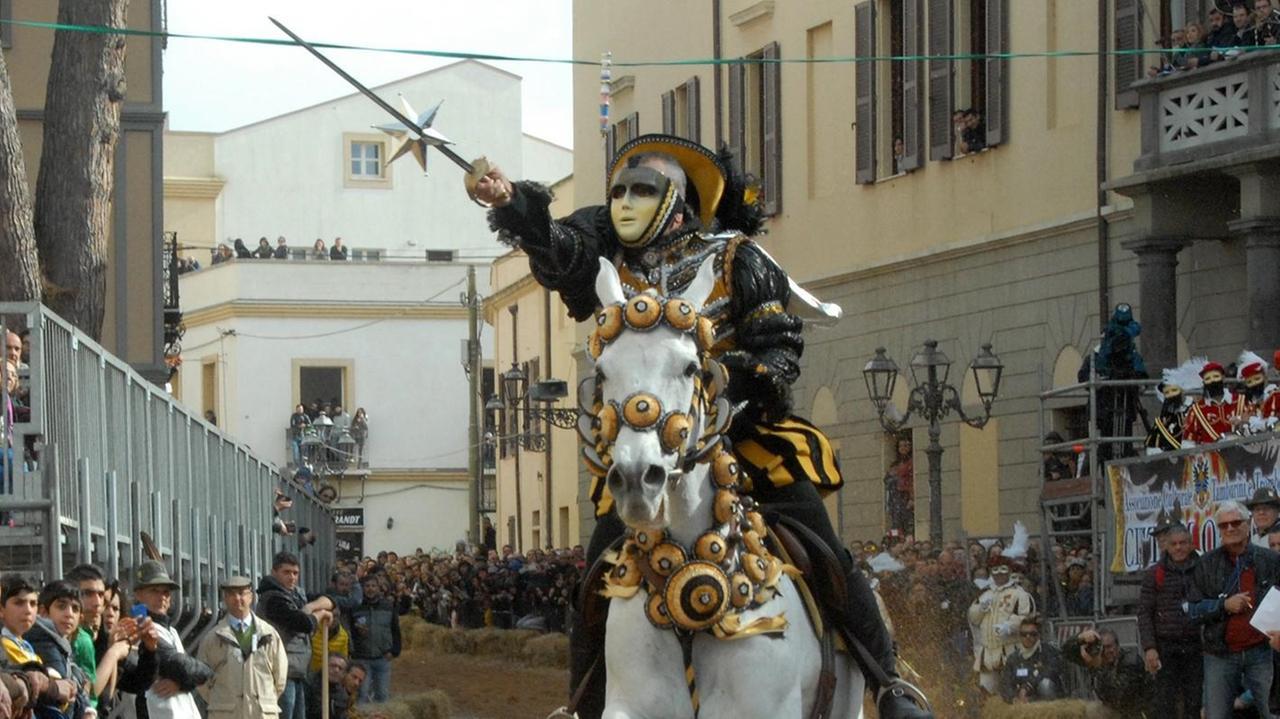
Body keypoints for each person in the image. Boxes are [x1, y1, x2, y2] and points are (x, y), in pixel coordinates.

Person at [474, 132, 931, 719]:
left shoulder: (738, 256)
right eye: (618, 191)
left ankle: (889, 684)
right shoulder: (613, 269)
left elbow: (779, 348)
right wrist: (511, 201)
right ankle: (581, 704)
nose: (625, 202)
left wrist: (735, 379)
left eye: (642, 190)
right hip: (648, 448)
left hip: (741, 434)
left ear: (676, 200)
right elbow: (560, 251)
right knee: (594, 573)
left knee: (819, 545)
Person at [1189, 500, 1280, 719]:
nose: (1230, 528)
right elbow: (1191, 610)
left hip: (1263, 652)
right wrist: (1223, 605)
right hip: (1220, 653)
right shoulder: (1206, 563)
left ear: (1247, 524)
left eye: (1235, 522)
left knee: (1274, 713)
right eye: (1223, 525)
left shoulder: (1270, 559)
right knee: (1216, 715)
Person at [256, 552, 335, 719]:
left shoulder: (297, 596)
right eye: (286, 572)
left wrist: (311, 607)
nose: (292, 577)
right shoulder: (272, 599)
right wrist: (319, 615)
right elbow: (302, 623)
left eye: (295, 573)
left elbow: (331, 600)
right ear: (274, 572)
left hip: (297, 671)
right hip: (279, 674)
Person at [196, 576, 288, 719]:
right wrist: (223, 702)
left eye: (242, 593)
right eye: (232, 594)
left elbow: (280, 677)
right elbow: (201, 679)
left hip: (261, 713)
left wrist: (263, 699)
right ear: (225, 599)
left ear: (251, 597)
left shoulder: (269, 634)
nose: (238, 598)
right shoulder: (212, 638)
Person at [131, 560, 212, 719]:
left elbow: (187, 671)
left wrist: (183, 684)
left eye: (166, 592)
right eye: (154, 591)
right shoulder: (139, 627)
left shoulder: (171, 630)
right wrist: (199, 674)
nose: (162, 597)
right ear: (139, 594)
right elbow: (181, 666)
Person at [1137, 523, 1201, 718]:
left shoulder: (1203, 568)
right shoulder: (1154, 574)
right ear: (1167, 547)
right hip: (1166, 647)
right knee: (1165, 703)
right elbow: (1145, 612)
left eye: (1183, 543)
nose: (1178, 548)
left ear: (1191, 544)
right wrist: (1149, 647)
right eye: (1174, 544)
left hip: (1196, 646)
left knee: (1195, 702)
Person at [968, 557, 1035, 695]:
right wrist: (980, 608)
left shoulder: (1020, 594)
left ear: (1009, 571)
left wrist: (1009, 626)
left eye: (1003, 569)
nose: (999, 573)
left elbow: (1027, 617)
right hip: (987, 653)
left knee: (1013, 691)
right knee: (986, 692)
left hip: (1011, 650)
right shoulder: (984, 593)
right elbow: (972, 618)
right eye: (995, 570)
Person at [27, 580, 93, 718]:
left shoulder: (60, 644)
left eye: (75, 609)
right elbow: (63, 697)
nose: (69, 614)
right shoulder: (42, 642)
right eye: (61, 606)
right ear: (43, 611)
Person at [1063, 627, 1152, 715]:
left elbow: (1119, 697)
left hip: (1135, 712)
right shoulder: (1098, 657)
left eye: (1109, 646)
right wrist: (1080, 638)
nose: (1106, 651)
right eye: (1102, 647)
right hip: (1113, 710)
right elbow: (1065, 652)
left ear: (1117, 646)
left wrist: (1097, 668)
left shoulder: (1131, 661)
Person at [348, 576, 400, 704]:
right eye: (367, 586)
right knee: (362, 693)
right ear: (362, 589)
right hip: (362, 658)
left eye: (373, 586)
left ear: (378, 588)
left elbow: (395, 630)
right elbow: (350, 631)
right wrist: (353, 650)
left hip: (382, 657)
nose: (370, 589)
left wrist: (394, 651)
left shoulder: (388, 606)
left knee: (382, 694)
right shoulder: (355, 607)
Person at [998, 616, 1063, 704]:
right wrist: (1013, 699)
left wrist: (1028, 686)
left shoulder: (1048, 651)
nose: (1028, 637)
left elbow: (1051, 671)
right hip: (1022, 702)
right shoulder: (1013, 658)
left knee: (1046, 684)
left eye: (1032, 634)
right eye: (1024, 634)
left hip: (1044, 701)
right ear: (1019, 636)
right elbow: (1006, 683)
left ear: (1038, 635)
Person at [1184, 361, 1242, 445]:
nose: (1212, 381)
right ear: (1204, 383)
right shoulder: (1197, 410)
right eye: (1207, 379)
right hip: (1212, 455)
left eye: (1216, 376)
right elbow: (1188, 441)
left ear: (1223, 378)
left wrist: (1242, 420)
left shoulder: (1240, 400)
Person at [885, 437, 914, 534]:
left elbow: (912, 480)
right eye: (901, 446)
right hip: (895, 495)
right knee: (895, 521)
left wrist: (912, 498)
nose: (903, 448)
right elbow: (887, 479)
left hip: (905, 495)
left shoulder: (912, 462)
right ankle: (895, 538)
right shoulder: (895, 464)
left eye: (906, 446)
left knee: (907, 520)